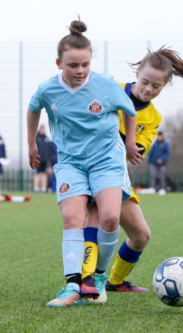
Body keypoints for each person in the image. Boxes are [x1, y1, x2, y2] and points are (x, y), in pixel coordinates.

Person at [82, 47, 183, 303]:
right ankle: (84, 281)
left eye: (157, 86)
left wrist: (129, 146)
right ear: (137, 72)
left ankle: (115, 282)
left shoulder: (152, 117)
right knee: (98, 218)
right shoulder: (110, 88)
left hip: (117, 174)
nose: (149, 89)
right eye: (145, 82)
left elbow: (136, 151)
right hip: (89, 169)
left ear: (164, 85)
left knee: (141, 235)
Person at [26, 17, 140, 307]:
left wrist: (128, 144)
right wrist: (31, 145)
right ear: (58, 63)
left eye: (85, 64)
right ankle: (72, 287)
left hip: (107, 161)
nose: (80, 71)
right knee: (72, 218)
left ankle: (98, 278)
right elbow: (32, 109)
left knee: (111, 217)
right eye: (73, 65)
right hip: (70, 163)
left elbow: (129, 109)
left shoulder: (105, 85)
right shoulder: (48, 89)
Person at [34, 124, 57, 193]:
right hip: (37, 160)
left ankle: (44, 189)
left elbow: (50, 151)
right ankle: (36, 188)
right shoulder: (36, 138)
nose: (43, 130)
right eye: (42, 129)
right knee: (37, 174)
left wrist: (49, 160)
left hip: (45, 160)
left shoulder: (47, 139)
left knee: (44, 174)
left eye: (44, 129)